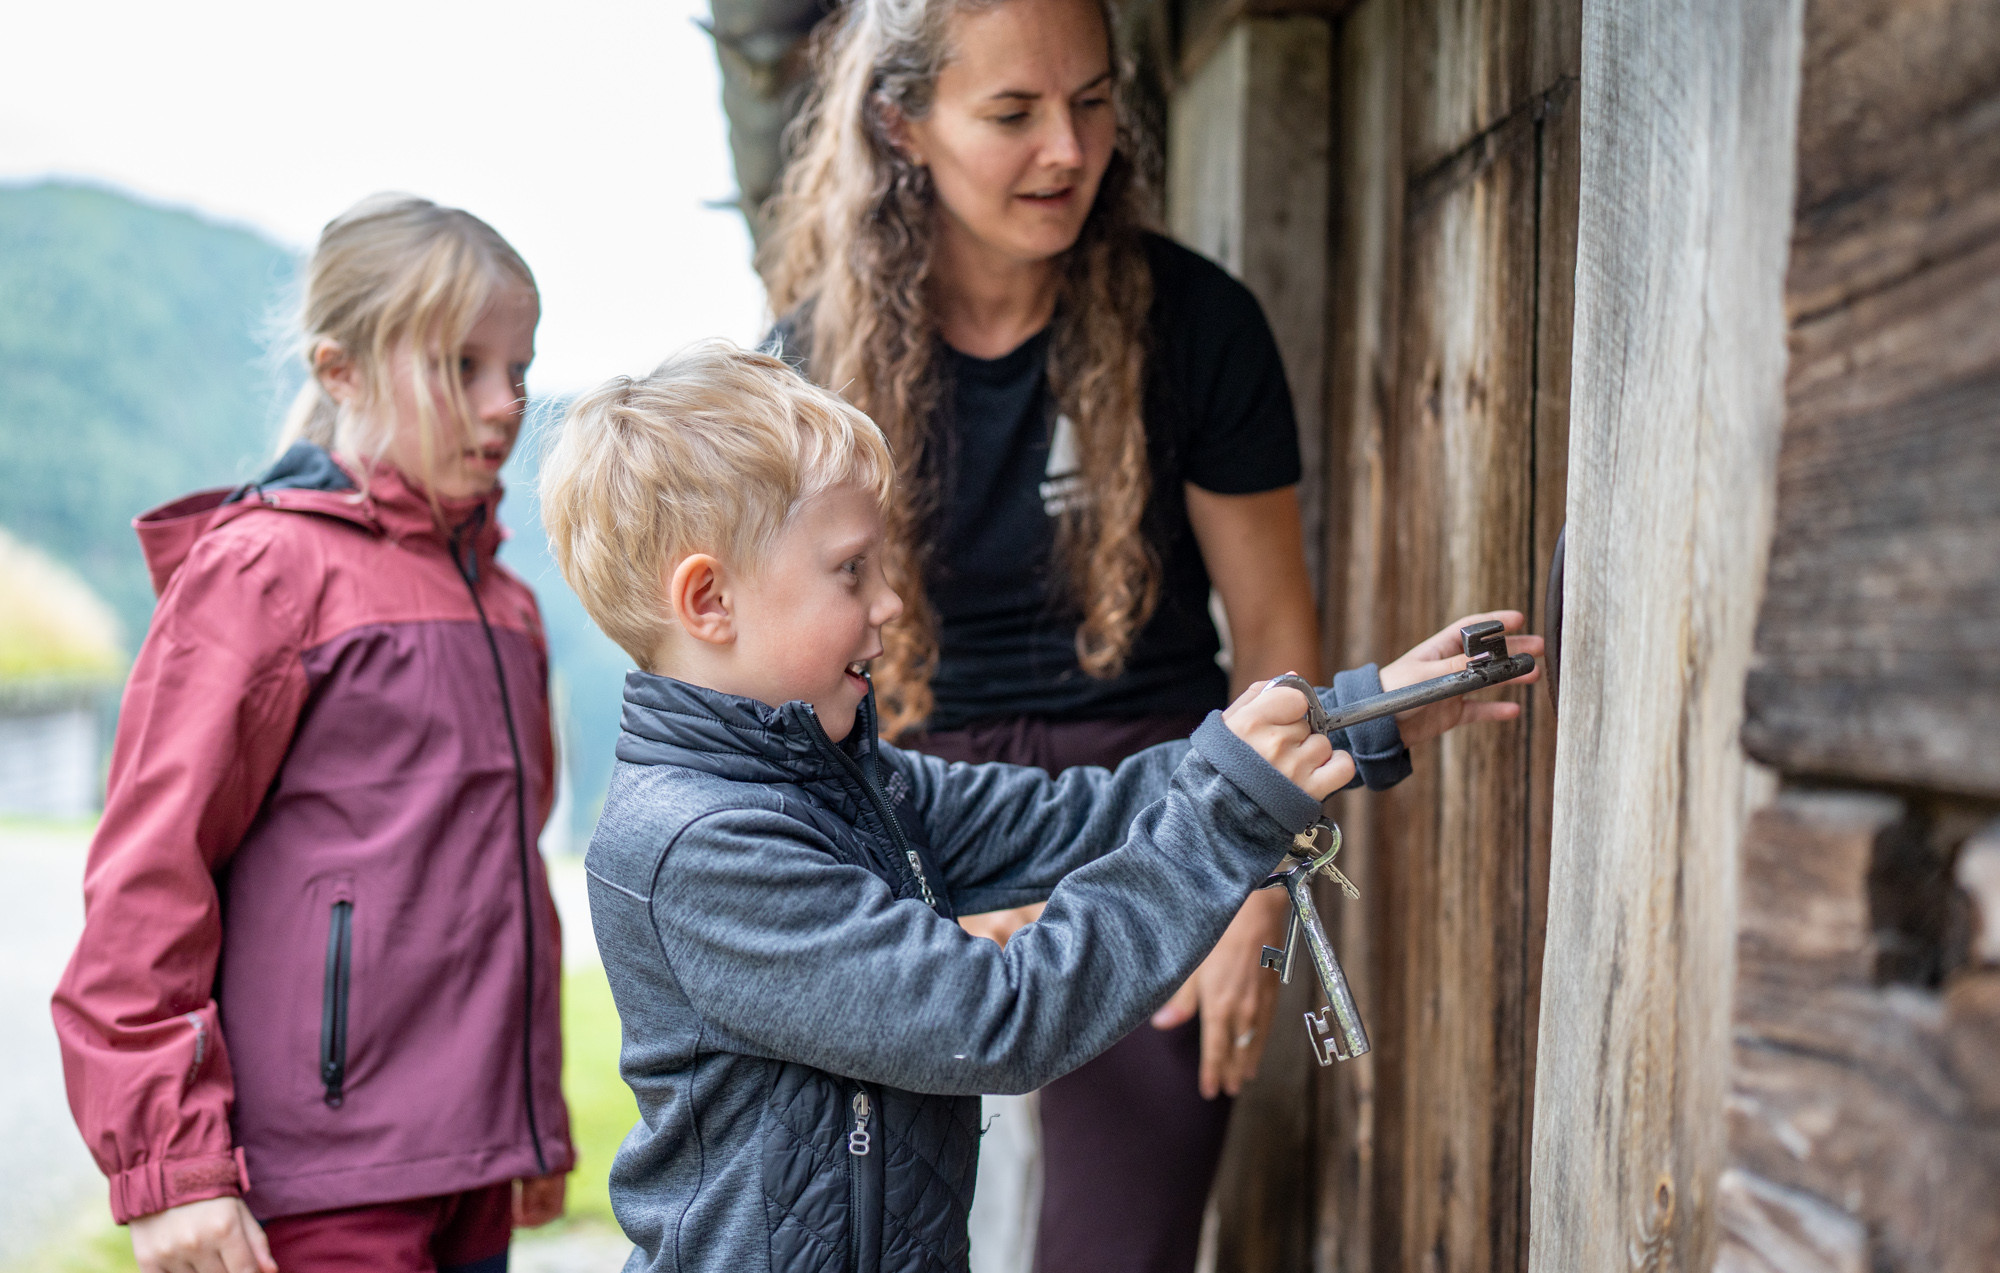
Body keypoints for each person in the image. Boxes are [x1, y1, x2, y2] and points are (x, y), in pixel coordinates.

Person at [756, 0, 1542, 1266]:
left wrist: (1249, 897)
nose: (1069, 150)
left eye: (1093, 100)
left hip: (1158, 814)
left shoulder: (1194, 323)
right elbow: (780, 680)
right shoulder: (806, 367)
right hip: (917, 812)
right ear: (900, 124)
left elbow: (1276, 626)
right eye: (1012, 113)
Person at [536, 341, 1535, 1273]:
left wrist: (1352, 721)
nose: (890, 600)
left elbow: (1087, 817)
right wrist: (1228, 822)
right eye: (850, 570)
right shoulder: (705, 849)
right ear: (708, 602)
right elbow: (998, 1018)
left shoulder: (846, 779)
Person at [52, 194, 574, 1273]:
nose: (504, 404)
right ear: (340, 369)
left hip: (470, 1166)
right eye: (460, 367)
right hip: (320, 1180)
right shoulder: (263, 571)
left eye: (518, 368)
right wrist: (170, 1167)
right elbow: (150, 877)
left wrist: (530, 1117)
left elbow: (504, 876)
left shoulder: (509, 605)